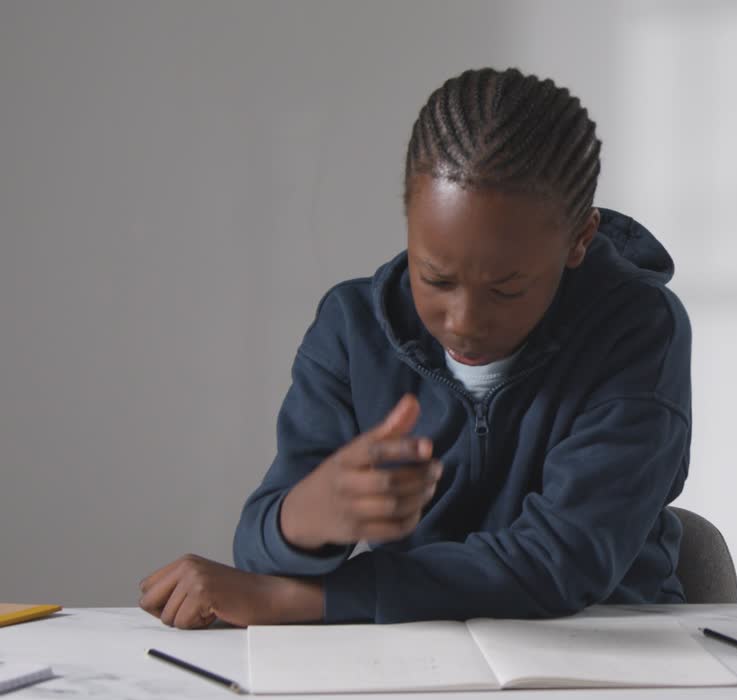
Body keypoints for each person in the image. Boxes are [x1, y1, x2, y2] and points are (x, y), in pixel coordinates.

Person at [138, 67, 692, 629]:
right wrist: (306, 516)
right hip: (413, 649)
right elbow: (259, 556)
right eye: (437, 279)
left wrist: (303, 602)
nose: (464, 323)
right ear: (409, 222)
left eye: (506, 289)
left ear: (580, 240)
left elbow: (563, 559)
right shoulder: (351, 330)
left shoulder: (639, 329)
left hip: (610, 646)